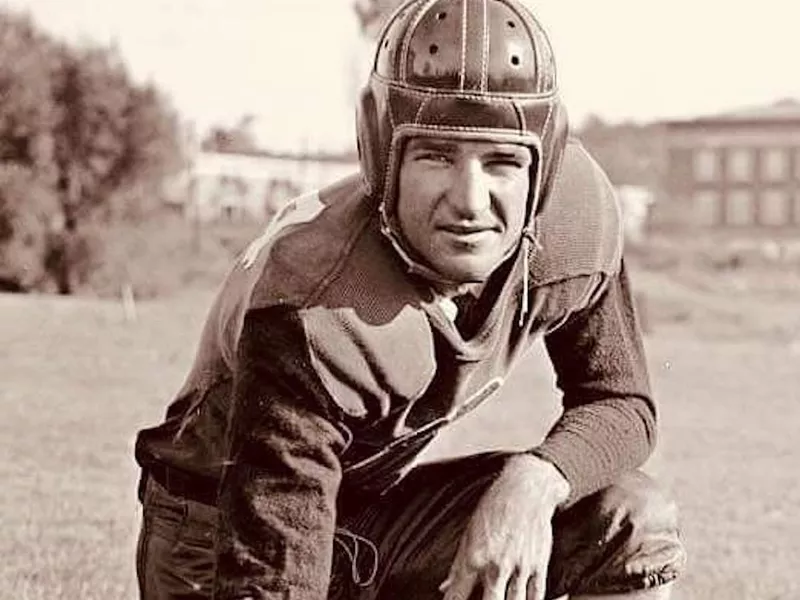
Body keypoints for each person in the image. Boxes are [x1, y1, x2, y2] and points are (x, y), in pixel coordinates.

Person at [134, 0, 687, 598]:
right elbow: (275, 573)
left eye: (502, 161)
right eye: (436, 155)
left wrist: (535, 480)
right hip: (220, 526)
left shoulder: (573, 218)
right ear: (382, 155)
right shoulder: (315, 304)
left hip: (369, 511)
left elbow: (622, 403)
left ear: (543, 166)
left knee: (631, 519)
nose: (471, 200)